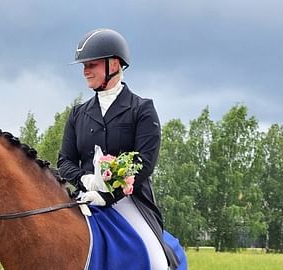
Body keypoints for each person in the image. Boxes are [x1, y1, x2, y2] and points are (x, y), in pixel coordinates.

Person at [57, 28, 179, 269]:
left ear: (114, 64)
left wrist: (108, 194)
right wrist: (87, 180)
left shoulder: (142, 109)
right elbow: (64, 161)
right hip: (85, 197)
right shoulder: (78, 114)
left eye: (91, 64)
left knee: (156, 261)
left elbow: (144, 162)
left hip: (129, 201)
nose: (85, 71)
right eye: (84, 66)